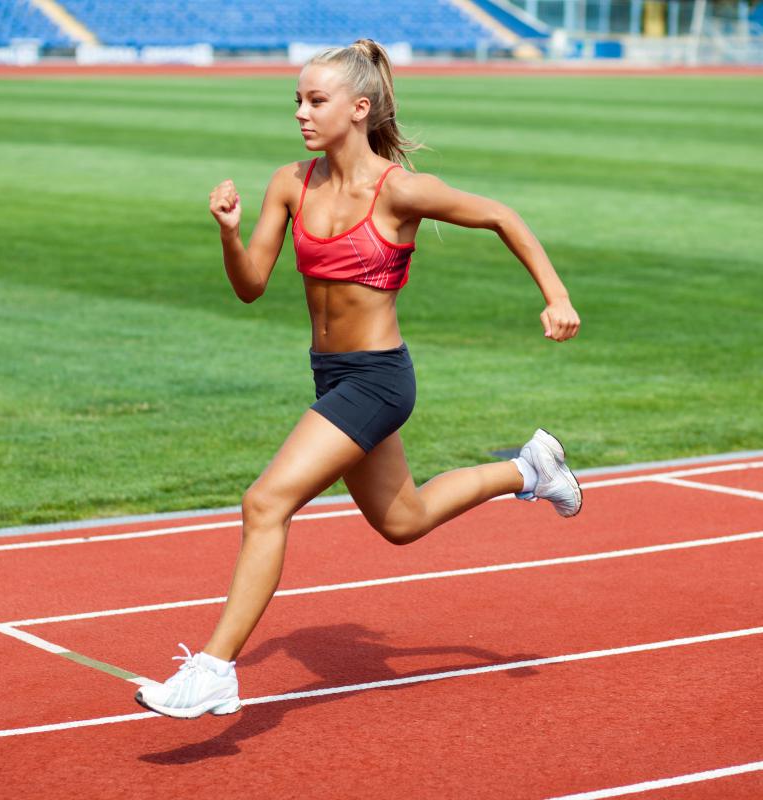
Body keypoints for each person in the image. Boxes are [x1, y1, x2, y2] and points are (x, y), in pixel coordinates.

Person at [135, 39, 581, 720]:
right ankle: (529, 470)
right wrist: (228, 233)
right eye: (297, 100)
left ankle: (215, 670)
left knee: (265, 504)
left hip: (377, 380)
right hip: (330, 376)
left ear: (358, 108)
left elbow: (500, 215)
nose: (301, 113)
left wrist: (555, 296)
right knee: (404, 521)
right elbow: (251, 286)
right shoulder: (290, 182)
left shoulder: (398, 190)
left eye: (315, 101)